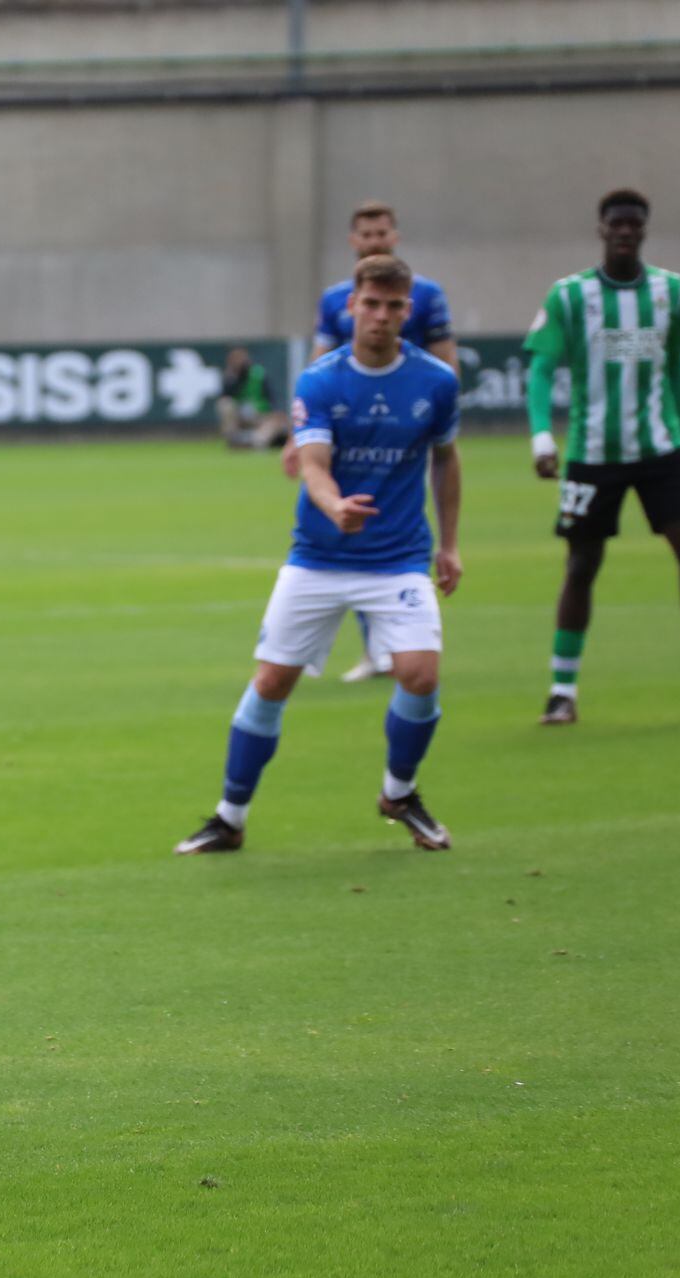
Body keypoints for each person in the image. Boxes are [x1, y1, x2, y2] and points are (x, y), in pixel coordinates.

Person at [178, 255, 462, 856]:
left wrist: (451, 544)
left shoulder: (435, 382)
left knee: (421, 673)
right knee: (272, 680)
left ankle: (399, 793)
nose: (381, 317)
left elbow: (447, 458)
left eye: (393, 307)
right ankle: (230, 817)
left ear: (407, 312)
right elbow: (313, 466)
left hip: (399, 559)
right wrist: (335, 508)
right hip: (319, 558)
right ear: (351, 307)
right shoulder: (323, 379)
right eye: (371, 304)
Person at [525, 188, 680, 724]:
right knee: (582, 565)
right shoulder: (570, 296)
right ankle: (562, 691)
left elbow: (675, 366)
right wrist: (541, 437)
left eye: (634, 225)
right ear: (601, 229)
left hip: (661, 450)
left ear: (644, 230)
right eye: (616, 224)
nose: (625, 232)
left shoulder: (672, 291)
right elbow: (539, 369)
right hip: (594, 455)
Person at [296, 201, 461, 683]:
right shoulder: (335, 299)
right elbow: (318, 361)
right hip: (345, 434)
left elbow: (445, 357)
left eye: (381, 232)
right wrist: (298, 432)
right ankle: (370, 648)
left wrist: (443, 411)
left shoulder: (426, 295)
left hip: (403, 431)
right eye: (365, 233)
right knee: (343, 524)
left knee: (389, 534)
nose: (373, 240)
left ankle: (393, 646)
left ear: (395, 236)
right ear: (353, 241)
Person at [217, 346, 289, 449]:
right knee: (225, 404)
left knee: (277, 422)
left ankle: (255, 442)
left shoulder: (258, 373)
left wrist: (275, 412)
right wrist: (235, 377)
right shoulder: (231, 377)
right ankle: (233, 438)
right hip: (241, 416)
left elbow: (271, 397)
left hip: (260, 415)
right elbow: (226, 396)